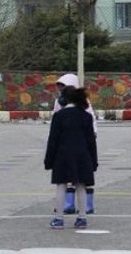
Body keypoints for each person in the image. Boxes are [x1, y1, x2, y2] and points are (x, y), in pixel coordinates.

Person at [45, 86, 98, 230]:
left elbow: (53, 140)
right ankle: (82, 218)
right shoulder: (86, 116)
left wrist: (48, 160)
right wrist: (94, 161)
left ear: (64, 99)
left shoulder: (59, 116)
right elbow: (91, 141)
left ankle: (59, 219)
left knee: (61, 185)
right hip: (83, 155)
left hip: (62, 155)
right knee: (81, 185)